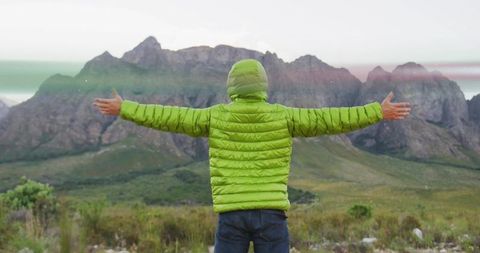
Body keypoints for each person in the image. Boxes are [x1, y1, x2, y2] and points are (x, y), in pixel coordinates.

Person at [93, 58, 411, 253]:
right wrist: (376, 112)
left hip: (231, 215)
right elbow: (330, 119)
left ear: (232, 87)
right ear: (263, 86)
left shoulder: (215, 116)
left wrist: (126, 109)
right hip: (272, 215)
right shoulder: (283, 116)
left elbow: (170, 116)